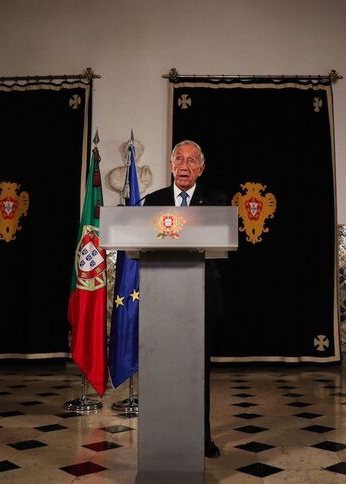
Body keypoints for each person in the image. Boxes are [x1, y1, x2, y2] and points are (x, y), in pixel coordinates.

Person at [144, 140, 225, 458]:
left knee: (196, 371)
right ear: (170, 164)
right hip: (161, 300)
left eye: (192, 161)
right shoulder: (153, 201)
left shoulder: (215, 201)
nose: (185, 165)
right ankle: (163, 435)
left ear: (201, 169)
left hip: (202, 297)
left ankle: (201, 437)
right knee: (162, 369)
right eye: (179, 159)